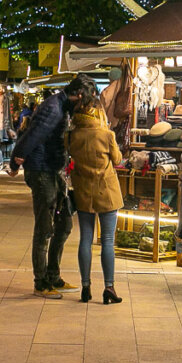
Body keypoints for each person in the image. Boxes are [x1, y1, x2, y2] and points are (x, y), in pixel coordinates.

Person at [10, 75, 95, 298]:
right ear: (78, 95)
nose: (85, 105)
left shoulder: (62, 107)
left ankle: (53, 276)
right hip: (41, 171)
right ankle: (41, 283)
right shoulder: (53, 109)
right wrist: (16, 159)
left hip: (53, 170)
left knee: (65, 223)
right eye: (85, 100)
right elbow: (31, 136)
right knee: (45, 228)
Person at [65, 96, 124, 305]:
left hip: (83, 191)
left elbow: (69, 157)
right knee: (107, 240)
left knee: (85, 240)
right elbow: (117, 160)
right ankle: (109, 287)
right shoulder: (106, 134)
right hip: (107, 191)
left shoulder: (72, 136)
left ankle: (85, 286)